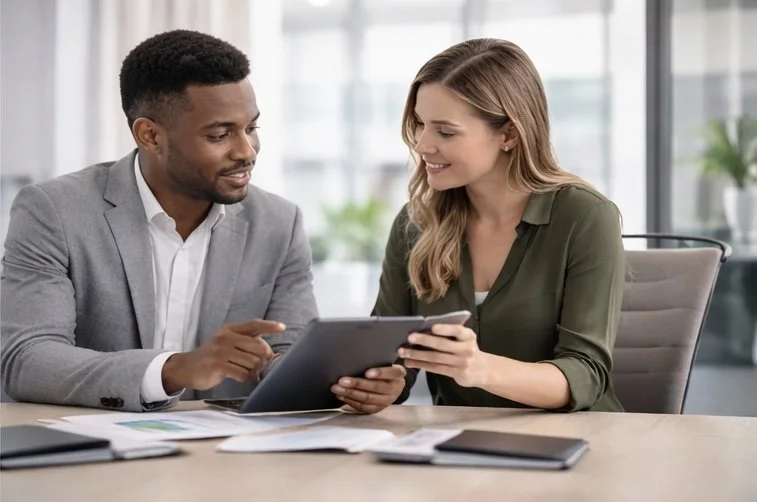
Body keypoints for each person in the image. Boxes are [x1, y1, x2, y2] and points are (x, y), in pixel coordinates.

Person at [1, 29, 405, 413]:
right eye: (219, 135)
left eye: (252, 127)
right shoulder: (55, 210)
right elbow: (27, 358)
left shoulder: (278, 223)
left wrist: (345, 384)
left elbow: (287, 353)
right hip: (92, 449)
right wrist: (175, 367)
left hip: (224, 458)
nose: (247, 151)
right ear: (150, 136)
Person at [369, 38, 626, 412]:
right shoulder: (415, 224)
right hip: (456, 449)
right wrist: (380, 385)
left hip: (575, 444)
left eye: (445, 131)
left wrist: (482, 369)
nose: (423, 144)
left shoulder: (585, 217)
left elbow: (585, 372)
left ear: (508, 134)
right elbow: (390, 358)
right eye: (420, 125)